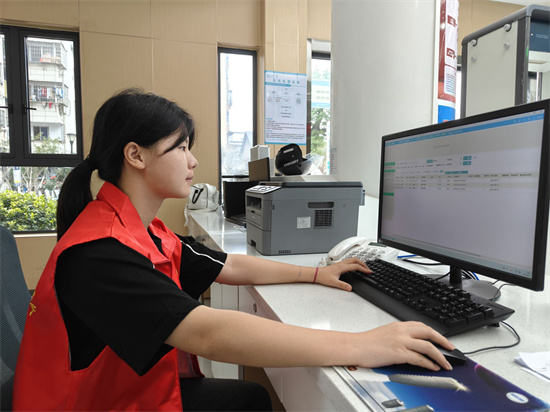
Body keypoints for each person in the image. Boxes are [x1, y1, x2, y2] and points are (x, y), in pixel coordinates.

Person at [13, 89, 454, 412]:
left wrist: (317, 274)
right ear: (136, 155)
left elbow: (226, 266)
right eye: (181, 147)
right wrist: (362, 345)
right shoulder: (100, 252)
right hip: (90, 405)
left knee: (249, 399)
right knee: (250, 400)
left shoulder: (143, 230)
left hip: (123, 392)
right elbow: (207, 334)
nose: (192, 161)